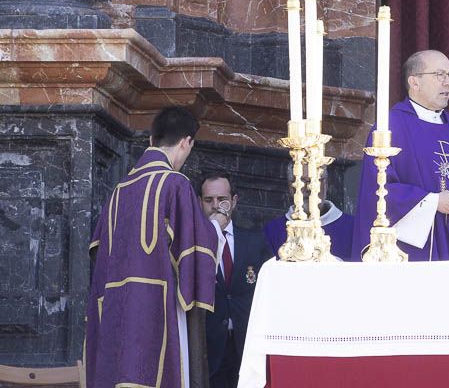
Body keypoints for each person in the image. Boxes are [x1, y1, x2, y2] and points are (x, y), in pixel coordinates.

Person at [85, 107, 217, 388]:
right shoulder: (176, 184)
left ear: (150, 141)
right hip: (159, 310)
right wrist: (215, 226)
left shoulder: (119, 190)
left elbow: (99, 254)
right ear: (186, 142)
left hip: (117, 313)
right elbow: (194, 248)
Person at [350, 50, 449, 261]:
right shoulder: (390, 127)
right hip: (412, 249)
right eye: (439, 75)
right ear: (414, 82)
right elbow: (377, 189)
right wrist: (434, 202)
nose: (447, 83)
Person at [201, 170, 272, 388]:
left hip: (248, 349)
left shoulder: (255, 241)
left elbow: (270, 293)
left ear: (234, 201)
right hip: (209, 348)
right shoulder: (195, 246)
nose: (215, 205)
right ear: (199, 203)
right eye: (208, 200)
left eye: (222, 199)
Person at [263, 184, 355, 261]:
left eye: (315, 180)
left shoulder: (353, 228)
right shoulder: (273, 230)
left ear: (326, 184)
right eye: (302, 181)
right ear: (291, 187)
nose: (309, 188)